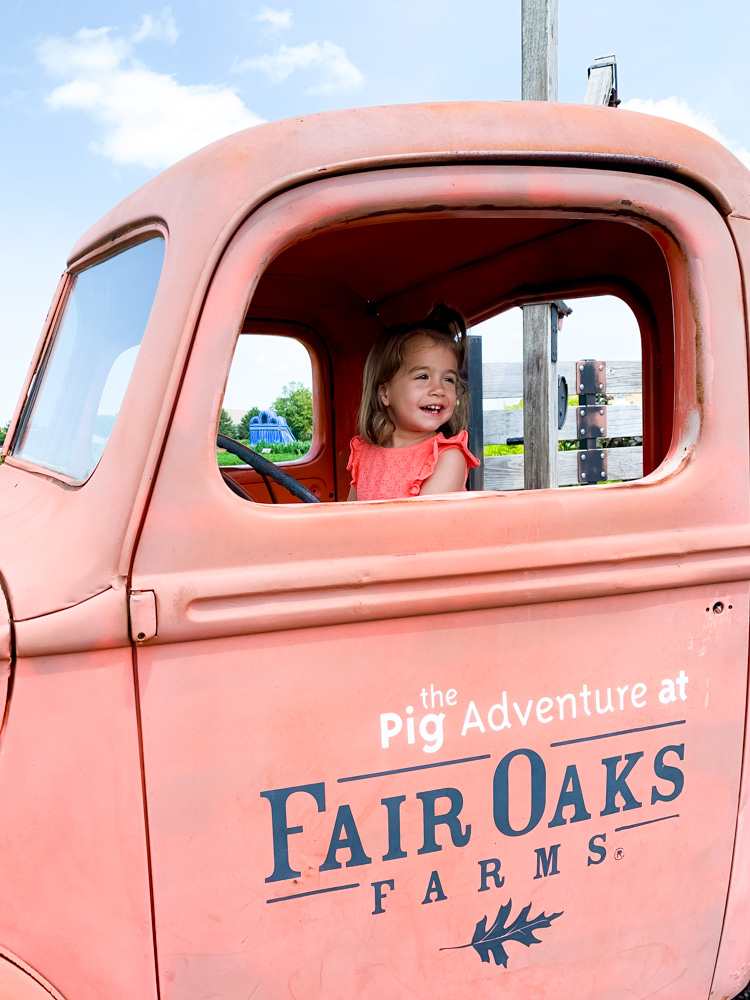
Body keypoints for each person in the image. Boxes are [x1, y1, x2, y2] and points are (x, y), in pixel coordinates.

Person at [348, 304, 480, 501]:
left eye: (448, 379)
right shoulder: (364, 453)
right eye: (423, 376)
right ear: (385, 392)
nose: (438, 390)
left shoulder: (447, 457)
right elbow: (347, 516)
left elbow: (421, 527)